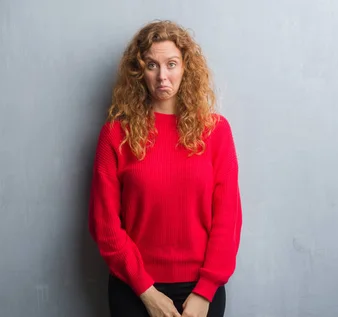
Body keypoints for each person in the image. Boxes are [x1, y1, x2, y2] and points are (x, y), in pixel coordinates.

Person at [88, 20, 242, 317]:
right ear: (138, 73)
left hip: (200, 293)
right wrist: (146, 292)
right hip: (134, 290)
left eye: (171, 64)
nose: (162, 76)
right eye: (151, 65)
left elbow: (228, 219)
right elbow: (105, 225)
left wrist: (206, 290)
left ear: (186, 68)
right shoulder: (115, 135)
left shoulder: (216, 132)